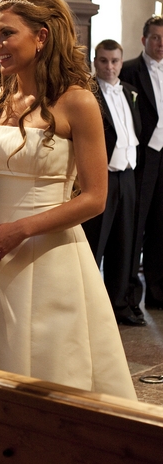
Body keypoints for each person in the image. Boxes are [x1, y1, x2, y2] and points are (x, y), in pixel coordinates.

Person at [0, 0, 136, 400]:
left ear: (41, 36)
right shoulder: (0, 98)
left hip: (51, 250)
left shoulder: (78, 102)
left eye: (7, 33)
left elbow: (94, 198)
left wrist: (20, 230)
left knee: (55, 366)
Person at [82, 40, 144, 326]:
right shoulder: (88, 93)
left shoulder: (130, 92)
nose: (109, 66)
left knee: (124, 242)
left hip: (128, 175)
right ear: (95, 62)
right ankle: (87, 308)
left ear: (121, 62)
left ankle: (118, 305)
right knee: (95, 242)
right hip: (101, 176)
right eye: (103, 61)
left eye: (114, 61)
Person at [120, 16, 163, 310]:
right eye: (156, 38)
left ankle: (158, 293)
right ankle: (128, 296)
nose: (160, 44)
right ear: (144, 40)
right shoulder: (128, 71)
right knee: (135, 226)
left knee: (161, 225)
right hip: (140, 159)